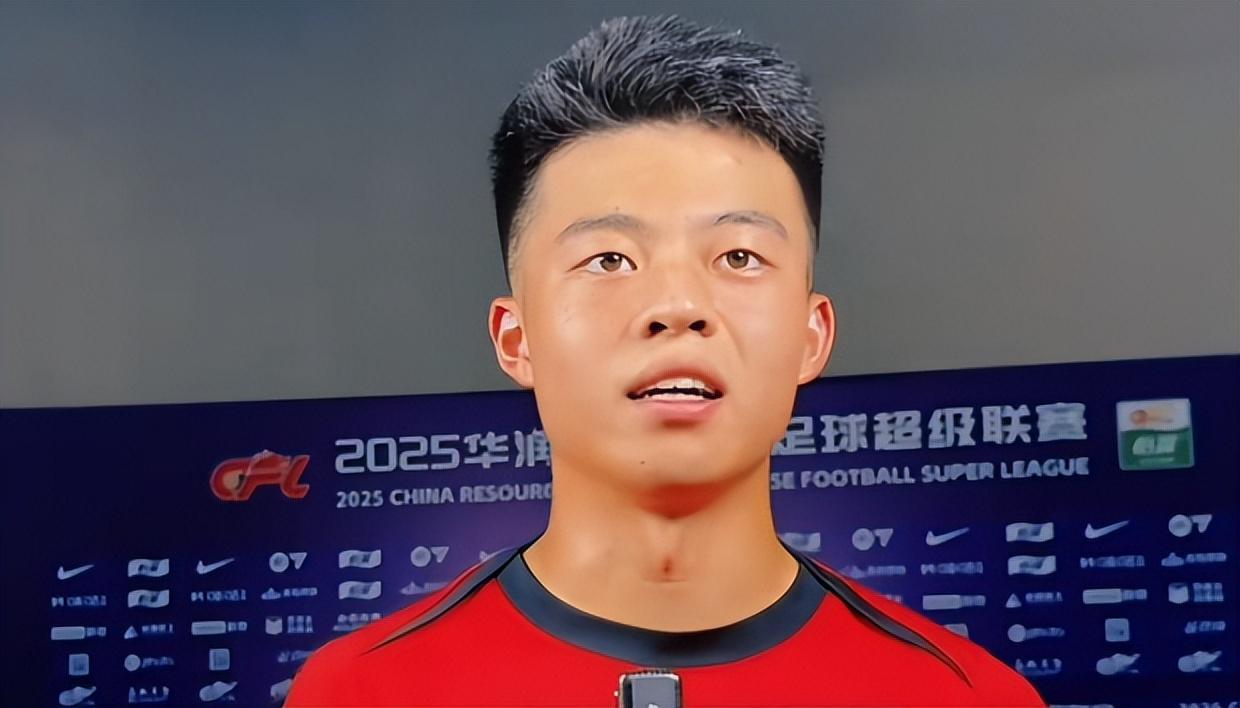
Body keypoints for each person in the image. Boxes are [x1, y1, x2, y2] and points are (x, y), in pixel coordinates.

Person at [286, 14, 1044, 706]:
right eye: (610, 259)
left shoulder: (968, 697)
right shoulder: (362, 691)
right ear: (517, 339)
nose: (678, 305)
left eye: (739, 256)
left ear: (812, 335)